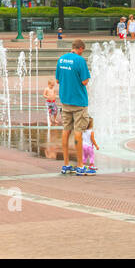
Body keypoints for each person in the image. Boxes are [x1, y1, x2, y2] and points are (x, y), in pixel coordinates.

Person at [54, 39, 91, 174]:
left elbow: (57, 80)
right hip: (79, 101)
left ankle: (66, 164)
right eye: (83, 50)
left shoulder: (61, 59)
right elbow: (85, 81)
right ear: (80, 48)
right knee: (78, 132)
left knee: (66, 130)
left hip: (65, 100)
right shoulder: (80, 60)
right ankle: (80, 165)